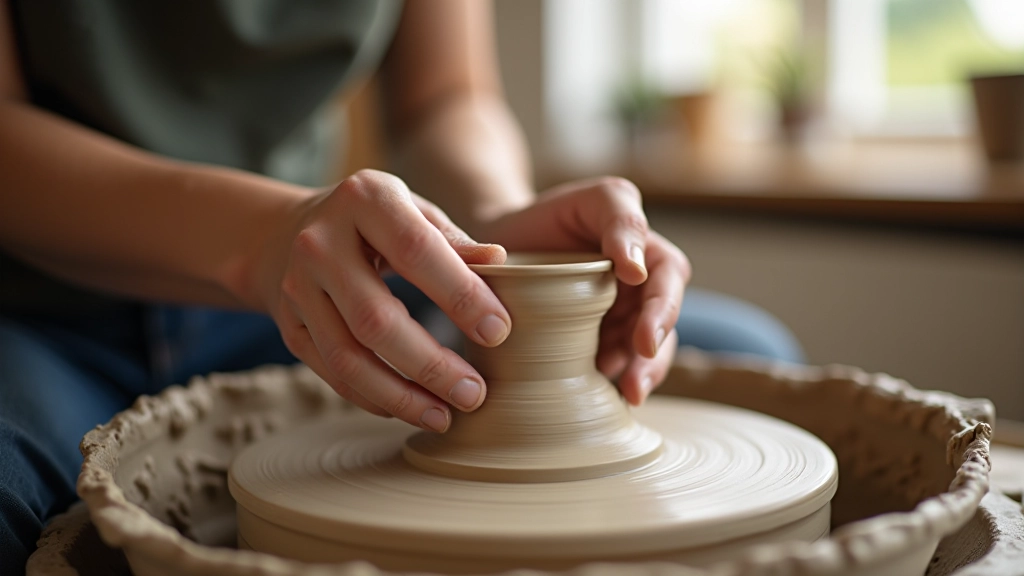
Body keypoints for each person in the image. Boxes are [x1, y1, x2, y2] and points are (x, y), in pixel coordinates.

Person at [0, 1, 804, 573]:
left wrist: (493, 227)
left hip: (321, 285)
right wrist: (261, 242)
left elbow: (447, 97)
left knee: (752, 359)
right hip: (50, 302)